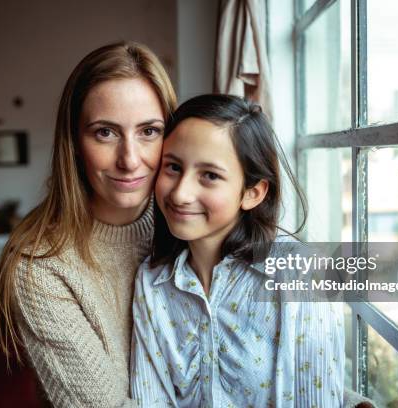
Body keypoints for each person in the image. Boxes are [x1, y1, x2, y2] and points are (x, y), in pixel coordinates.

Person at [0, 41, 177, 407]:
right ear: (75, 141)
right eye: (105, 133)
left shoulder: (189, 224)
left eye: (149, 131)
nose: (129, 159)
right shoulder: (39, 266)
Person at [131, 94, 344, 407]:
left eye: (210, 175)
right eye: (173, 167)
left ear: (252, 192)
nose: (181, 193)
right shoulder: (151, 283)